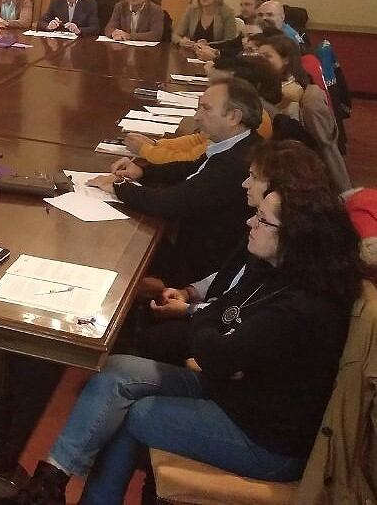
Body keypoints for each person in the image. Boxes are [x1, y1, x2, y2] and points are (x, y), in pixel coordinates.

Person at [19, 141, 362, 505]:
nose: (250, 222)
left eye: (262, 220)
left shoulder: (302, 304)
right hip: (234, 394)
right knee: (117, 371)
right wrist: (215, 329)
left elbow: (219, 351)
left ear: (296, 235)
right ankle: (50, 483)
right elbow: (221, 317)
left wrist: (212, 331)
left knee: (138, 414)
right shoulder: (275, 269)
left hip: (264, 439)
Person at [90, 79, 263, 291]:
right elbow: (191, 168)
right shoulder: (242, 144)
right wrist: (143, 172)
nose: (197, 116)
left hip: (198, 267)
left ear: (234, 117)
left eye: (206, 109)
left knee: (107, 248)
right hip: (193, 244)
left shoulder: (236, 164)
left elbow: (170, 204)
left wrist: (119, 187)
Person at [124, 56, 280, 164]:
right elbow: (198, 140)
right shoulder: (238, 109)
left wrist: (146, 150)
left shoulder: (255, 120)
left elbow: (190, 159)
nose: (197, 117)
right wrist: (156, 144)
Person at [254, 34, 349, 192]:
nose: (260, 60)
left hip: (297, 167)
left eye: (267, 56)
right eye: (259, 55)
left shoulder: (297, 94)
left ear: (285, 60)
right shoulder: (271, 85)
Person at [174, 0, 239, 49]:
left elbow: (230, 41)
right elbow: (175, 35)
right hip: (193, 52)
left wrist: (208, 45)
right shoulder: (192, 10)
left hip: (217, 53)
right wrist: (181, 41)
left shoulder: (227, 13)